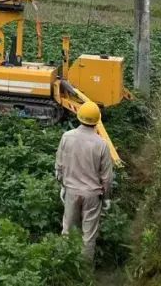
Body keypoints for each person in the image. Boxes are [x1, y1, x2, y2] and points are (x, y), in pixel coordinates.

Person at [55, 101, 114, 264]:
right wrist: (107, 197)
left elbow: (59, 166)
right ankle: (85, 271)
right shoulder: (101, 144)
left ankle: (65, 267)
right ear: (97, 120)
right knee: (88, 236)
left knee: (67, 231)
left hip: (71, 192)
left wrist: (62, 185)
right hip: (92, 196)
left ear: (78, 116)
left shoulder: (66, 137)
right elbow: (107, 177)